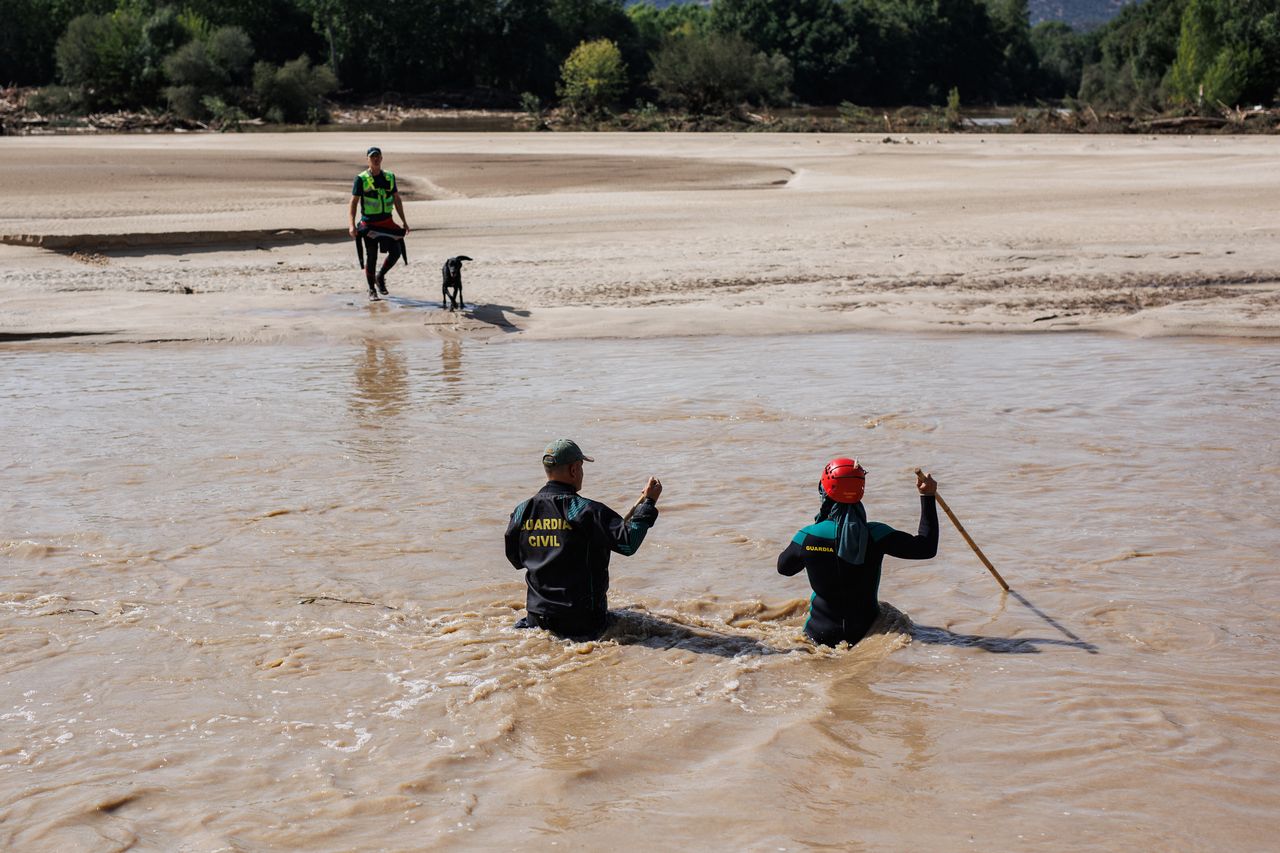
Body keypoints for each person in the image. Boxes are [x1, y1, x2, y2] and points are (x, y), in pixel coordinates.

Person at [505, 439, 662, 641]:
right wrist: (649, 503)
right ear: (573, 469)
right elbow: (628, 543)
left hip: (537, 618)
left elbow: (516, 559)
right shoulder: (586, 511)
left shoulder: (522, 511)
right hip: (581, 623)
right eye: (581, 467)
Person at [777, 458, 938, 647]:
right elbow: (926, 548)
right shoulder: (877, 534)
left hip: (817, 634)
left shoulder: (807, 536)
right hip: (867, 633)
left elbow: (784, 568)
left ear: (824, 491)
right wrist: (927, 497)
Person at [348, 146, 410, 301]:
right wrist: (351, 225)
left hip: (387, 222)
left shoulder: (389, 176)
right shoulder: (361, 179)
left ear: (381, 158)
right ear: (368, 159)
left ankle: (380, 276)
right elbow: (353, 203)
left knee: (396, 252)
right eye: (372, 156)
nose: (375, 158)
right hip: (369, 224)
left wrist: (403, 221)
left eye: (378, 156)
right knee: (372, 256)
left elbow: (396, 199)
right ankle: (371, 290)